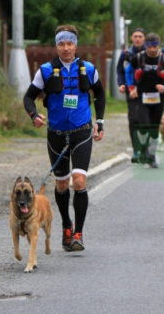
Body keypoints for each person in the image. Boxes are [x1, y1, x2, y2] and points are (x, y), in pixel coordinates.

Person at [23, 24, 106, 251]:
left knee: (79, 181)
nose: (66, 48)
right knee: (61, 184)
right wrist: (34, 115)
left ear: (76, 45)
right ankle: (66, 224)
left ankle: (78, 233)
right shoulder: (46, 70)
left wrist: (100, 122)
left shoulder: (88, 69)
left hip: (81, 132)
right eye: (62, 43)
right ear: (57, 45)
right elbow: (28, 98)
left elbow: (99, 93)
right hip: (56, 135)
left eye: (70, 43)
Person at [125, 32, 164, 167]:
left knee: (154, 128)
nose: (152, 50)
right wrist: (131, 88)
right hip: (142, 97)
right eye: (150, 47)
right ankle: (142, 149)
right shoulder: (138, 58)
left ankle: (151, 155)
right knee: (143, 125)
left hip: (158, 99)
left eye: (155, 46)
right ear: (146, 45)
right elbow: (128, 72)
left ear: (159, 45)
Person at [116, 28, 145, 162]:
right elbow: (120, 70)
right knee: (133, 119)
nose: (138, 39)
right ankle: (136, 150)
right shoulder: (126, 54)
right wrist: (121, 83)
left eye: (140, 36)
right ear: (132, 38)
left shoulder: (151, 52)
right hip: (131, 89)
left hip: (147, 91)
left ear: (144, 38)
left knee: (145, 119)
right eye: (135, 36)